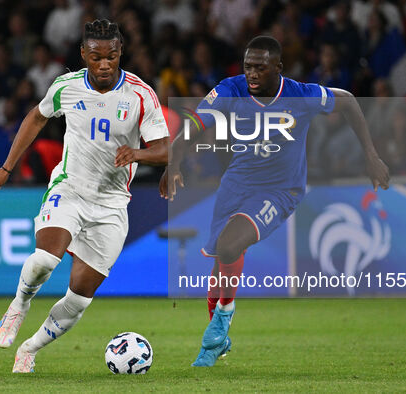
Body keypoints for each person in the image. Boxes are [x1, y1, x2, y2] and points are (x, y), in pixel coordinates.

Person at [160, 36, 389, 367]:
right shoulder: (230, 89)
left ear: (278, 68)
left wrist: (371, 155)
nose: (252, 74)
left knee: (228, 247)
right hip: (236, 185)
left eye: (260, 68)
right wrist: (175, 159)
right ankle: (218, 341)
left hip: (281, 191)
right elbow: (194, 125)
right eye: (248, 66)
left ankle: (222, 320)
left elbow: (350, 101)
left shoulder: (302, 95)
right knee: (218, 264)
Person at [0, 19, 169, 373]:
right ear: (83, 54)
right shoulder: (66, 86)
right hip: (70, 188)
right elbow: (36, 118)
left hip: (113, 204)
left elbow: (165, 149)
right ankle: (19, 304)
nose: (104, 64)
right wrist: (7, 168)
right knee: (45, 259)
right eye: (96, 56)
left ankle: (29, 349)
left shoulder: (140, 94)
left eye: (111, 57)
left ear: (120, 54)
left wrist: (139, 155)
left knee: (79, 298)